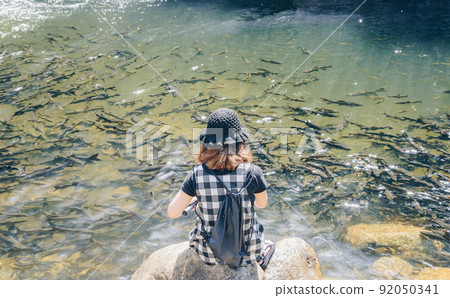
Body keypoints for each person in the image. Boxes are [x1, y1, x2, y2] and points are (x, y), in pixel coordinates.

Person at [168, 108, 275, 269]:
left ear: (208, 143)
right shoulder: (253, 172)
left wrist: (196, 198)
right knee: (266, 239)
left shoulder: (196, 175)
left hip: (208, 254)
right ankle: (260, 256)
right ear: (240, 143)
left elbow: (173, 212)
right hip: (247, 252)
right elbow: (262, 204)